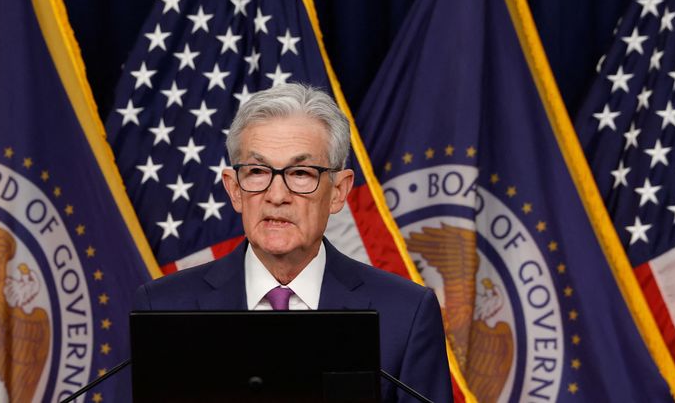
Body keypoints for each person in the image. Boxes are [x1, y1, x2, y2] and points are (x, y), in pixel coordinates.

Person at [134, 83, 452, 402]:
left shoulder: (405, 313)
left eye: (301, 173)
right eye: (257, 171)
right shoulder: (162, 308)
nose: (276, 196)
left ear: (339, 191)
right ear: (234, 189)